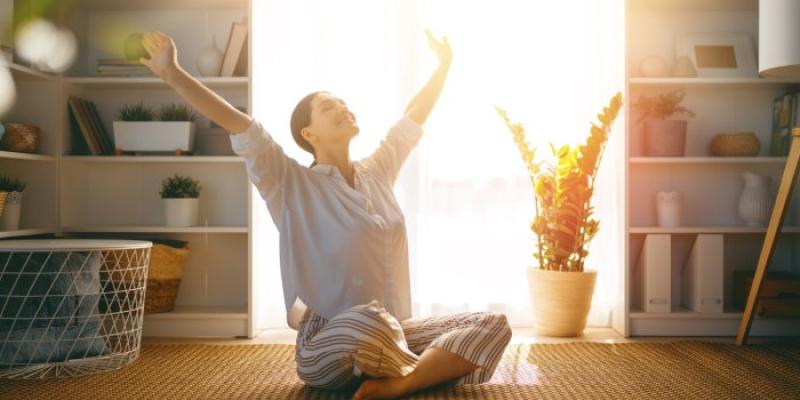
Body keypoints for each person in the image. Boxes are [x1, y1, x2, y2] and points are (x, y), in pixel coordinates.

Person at [139, 30, 511, 400]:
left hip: (395, 331)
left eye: (344, 103)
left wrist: (443, 66)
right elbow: (240, 124)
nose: (342, 109)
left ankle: (401, 383)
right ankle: (431, 367)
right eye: (328, 107)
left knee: (492, 325)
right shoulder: (289, 183)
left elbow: (412, 118)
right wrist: (172, 73)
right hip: (328, 342)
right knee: (371, 319)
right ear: (308, 133)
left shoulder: (378, 172)